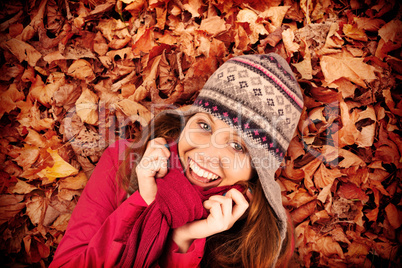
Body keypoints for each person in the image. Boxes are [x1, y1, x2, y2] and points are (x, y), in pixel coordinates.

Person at [50, 53, 304, 268]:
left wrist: (184, 240)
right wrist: (142, 203)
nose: (207, 153)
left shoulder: (264, 238)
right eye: (204, 125)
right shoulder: (124, 161)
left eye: (237, 145)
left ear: (258, 169)